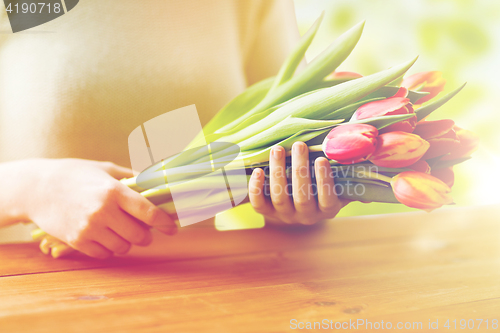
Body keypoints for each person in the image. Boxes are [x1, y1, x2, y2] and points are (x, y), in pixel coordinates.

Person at [0, 0, 347, 259]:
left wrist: (294, 208)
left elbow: (286, 146)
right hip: (33, 290)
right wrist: (32, 188)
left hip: (203, 290)